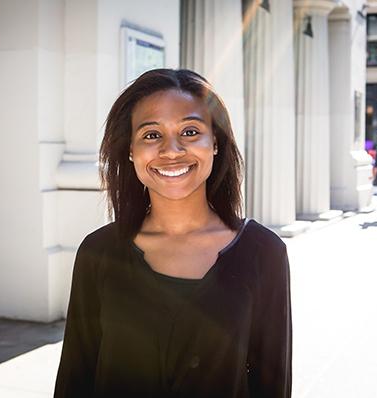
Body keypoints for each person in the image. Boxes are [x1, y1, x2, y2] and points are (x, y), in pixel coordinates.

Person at [54, 69, 292, 398]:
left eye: (190, 131)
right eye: (152, 135)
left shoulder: (264, 252)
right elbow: (75, 379)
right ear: (130, 150)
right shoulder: (99, 252)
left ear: (216, 142)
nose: (172, 150)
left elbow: (271, 384)